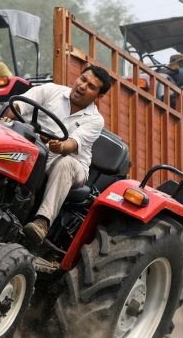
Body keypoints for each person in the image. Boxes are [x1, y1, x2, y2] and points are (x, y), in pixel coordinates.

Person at [9, 64, 111, 246]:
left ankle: (42, 222)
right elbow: (19, 104)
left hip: (69, 163)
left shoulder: (96, 120)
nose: (82, 86)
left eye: (91, 87)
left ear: (99, 96)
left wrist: (60, 146)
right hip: (35, 151)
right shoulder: (51, 91)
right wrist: (8, 117)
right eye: (83, 79)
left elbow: (73, 144)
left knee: (66, 164)